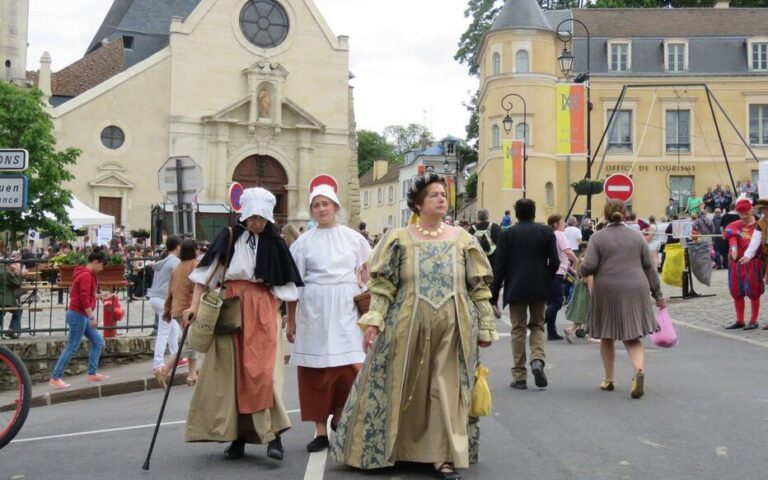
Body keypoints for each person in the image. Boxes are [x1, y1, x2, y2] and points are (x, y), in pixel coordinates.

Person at [332, 173, 497, 480]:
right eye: (434, 194)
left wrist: (485, 324)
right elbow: (383, 287)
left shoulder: (463, 240)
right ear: (419, 204)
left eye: (443, 194)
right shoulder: (399, 239)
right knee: (403, 385)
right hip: (406, 325)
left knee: (444, 388)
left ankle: (442, 457)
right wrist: (374, 323)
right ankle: (397, 449)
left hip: (454, 327)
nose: (441, 198)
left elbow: (478, 287)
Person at [183, 187, 303, 462]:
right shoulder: (229, 237)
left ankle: (274, 436)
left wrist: (289, 321)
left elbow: (288, 288)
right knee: (230, 375)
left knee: (261, 374)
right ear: (244, 216)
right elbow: (206, 275)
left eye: (262, 218)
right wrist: (193, 306)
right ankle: (237, 437)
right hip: (230, 307)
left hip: (262, 308)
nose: (257, 222)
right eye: (253, 217)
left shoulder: (275, 243)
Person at [287, 184, 372, 453]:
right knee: (316, 372)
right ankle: (320, 430)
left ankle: (339, 415)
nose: (321, 209)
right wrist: (291, 321)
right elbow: (293, 287)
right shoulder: (303, 243)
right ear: (311, 210)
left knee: (349, 367)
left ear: (336, 207)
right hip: (314, 309)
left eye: (326, 204)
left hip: (346, 307)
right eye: (316, 205)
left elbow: (368, 273)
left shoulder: (354, 238)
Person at [579, 200, 665, 399]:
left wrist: (580, 268)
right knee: (632, 336)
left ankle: (609, 379)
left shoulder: (597, 238)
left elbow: (589, 266)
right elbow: (649, 268)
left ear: (605, 215)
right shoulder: (637, 237)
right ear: (625, 214)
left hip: (607, 290)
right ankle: (638, 371)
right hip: (636, 288)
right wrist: (658, 295)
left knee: (607, 335)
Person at [491, 198, 559, 390]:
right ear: (534, 212)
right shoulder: (546, 232)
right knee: (537, 325)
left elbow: (500, 266)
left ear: (516, 214)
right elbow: (554, 262)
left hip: (516, 287)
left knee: (518, 329)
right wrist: (547, 277)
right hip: (539, 286)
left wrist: (494, 294)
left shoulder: (508, 234)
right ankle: (537, 359)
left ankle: (519, 375)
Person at [49, 251, 112, 389]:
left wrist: (99, 295)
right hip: (78, 315)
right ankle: (55, 377)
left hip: (80, 314)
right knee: (72, 347)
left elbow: (87, 294)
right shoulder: (86, 276)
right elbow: (83, 299)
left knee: (98, 342)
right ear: (95, 262)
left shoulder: (86, 274)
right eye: (102, 264)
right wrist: (92, 317)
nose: (102, 268)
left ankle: (92, 373)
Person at [161, 238, 200, 387]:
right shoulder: (195, 265)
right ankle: (164, 369)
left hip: (177, 310)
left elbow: (170, 291)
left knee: (191, 341)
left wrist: (167, 309)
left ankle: (192, 375)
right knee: (189, 344)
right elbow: (198, 287)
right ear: (194, 250)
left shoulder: (177, 267)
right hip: (189, 309)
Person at [723, 198, 763, 331]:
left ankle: (754, 320)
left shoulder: (759, 226)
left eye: (745, 213)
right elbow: (732, 237)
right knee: (736, 291)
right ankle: (740, 320)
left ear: (751, 211)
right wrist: (733, 247)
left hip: (753, 263)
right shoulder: (735, 225)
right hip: (736, 263)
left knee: (753, 291)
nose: (743, 216)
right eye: (741, 214)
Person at [148, 235, 182, 387]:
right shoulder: (175, 261)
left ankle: (176, 356)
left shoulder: (162, 260)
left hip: (155, 298)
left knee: (173, 328)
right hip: (164, 300)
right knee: (164, 331)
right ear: (178, 246)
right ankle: (158, 364)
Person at [545, 215, 579, 340]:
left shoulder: (549, 234)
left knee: (551, 302)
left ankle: (551, 332)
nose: (564, 224)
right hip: (558, 272)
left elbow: (559, 254)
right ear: (555, 224)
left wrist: (570, 268)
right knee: (558, 302)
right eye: (562, 222)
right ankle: (538, 320)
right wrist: (579, 263)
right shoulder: (559, 234)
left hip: (550, 271)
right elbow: (568, 252)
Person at [468, 209, 502, 318]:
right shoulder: (495, 227)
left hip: (477, 259)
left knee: (479, 282)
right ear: (488, 216)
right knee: (494, 281)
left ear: (478, 217)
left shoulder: (472, 229)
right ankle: (493, 302)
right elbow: (501, 243)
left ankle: (479, 303)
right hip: (492, 259)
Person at [0, 261, 22, 339]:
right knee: (19, 309)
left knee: (2, 311)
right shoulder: (7, 273)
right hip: (5, 300)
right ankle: (12, 330)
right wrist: (17, 272)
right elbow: (18, 283)